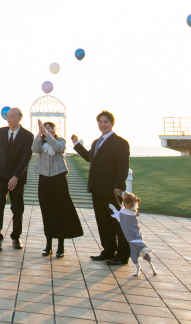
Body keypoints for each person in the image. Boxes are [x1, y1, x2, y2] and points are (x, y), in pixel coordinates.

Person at [72, 110, 131, 266]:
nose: (103, 124)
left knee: (117, 222)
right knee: (103, 222)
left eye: (106, 122)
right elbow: (89, 158)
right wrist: (76, 144)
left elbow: (123, 167)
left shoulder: (120, 142)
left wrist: (119, 186)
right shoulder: (96, 142)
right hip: (97, 189)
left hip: (112, 189)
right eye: (100, 122)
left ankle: (123, 254)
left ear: (112, 124)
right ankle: (108, 251)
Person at [31, 119, 83, 258]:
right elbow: (34, 150)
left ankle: (61, 246)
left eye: (50, 128)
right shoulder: (40, 140)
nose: (47, 129)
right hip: (44, 177)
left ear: (54, 130)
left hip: (58, 177)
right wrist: (39, 135)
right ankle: (48, 245)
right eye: (45, 127)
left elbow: (59, 148)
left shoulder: (60, 140)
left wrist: (46, 134)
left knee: (61, 209)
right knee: (47, 210)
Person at [0, 107, 34, 253]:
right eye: (7, 117)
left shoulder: (27, 136)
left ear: (20, 118)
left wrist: (16, 177)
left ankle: (16, 237)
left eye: (12, 116)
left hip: (16, 177)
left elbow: (26, 158)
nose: (9, 119)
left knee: (17, 207)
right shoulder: (1, 131)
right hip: (0, 174)